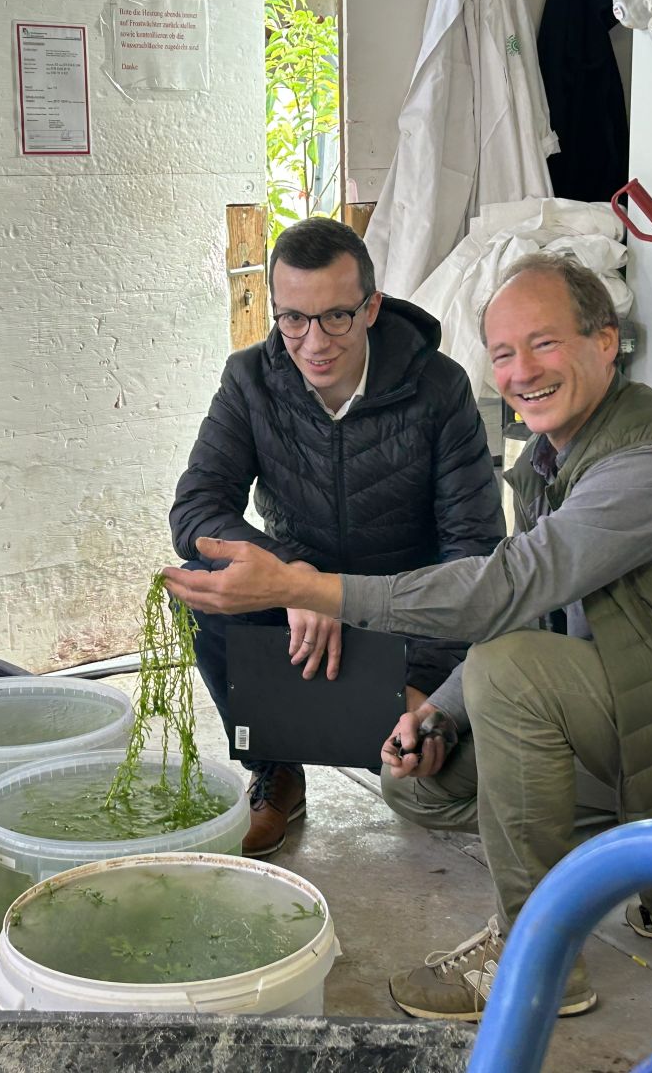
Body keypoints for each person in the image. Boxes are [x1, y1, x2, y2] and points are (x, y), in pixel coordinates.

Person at [163, 252, 652, 1018]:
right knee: (418, 779)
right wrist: (439, 714)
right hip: (645, 695)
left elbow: (499, 585)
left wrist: (311, 589)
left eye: (544, 344)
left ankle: (541, 953)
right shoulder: (558, 452)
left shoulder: (647, 462)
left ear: (605, 340)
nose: (522, 372)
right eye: (505, 353)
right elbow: (201, 507)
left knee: (511, 671)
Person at [170, 217, 506, 858]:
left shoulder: (440, 387)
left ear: (372, 307)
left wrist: (427, 686)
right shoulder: (250, 380)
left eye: (336, 318)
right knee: (202, 583)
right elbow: (197, 508)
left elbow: (474, 549)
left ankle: (413, 717)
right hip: (304, 615)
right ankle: (276, 767)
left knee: (436, 784)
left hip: (406, 609)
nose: (312, 342)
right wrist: (295, 578)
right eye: (292, 319)